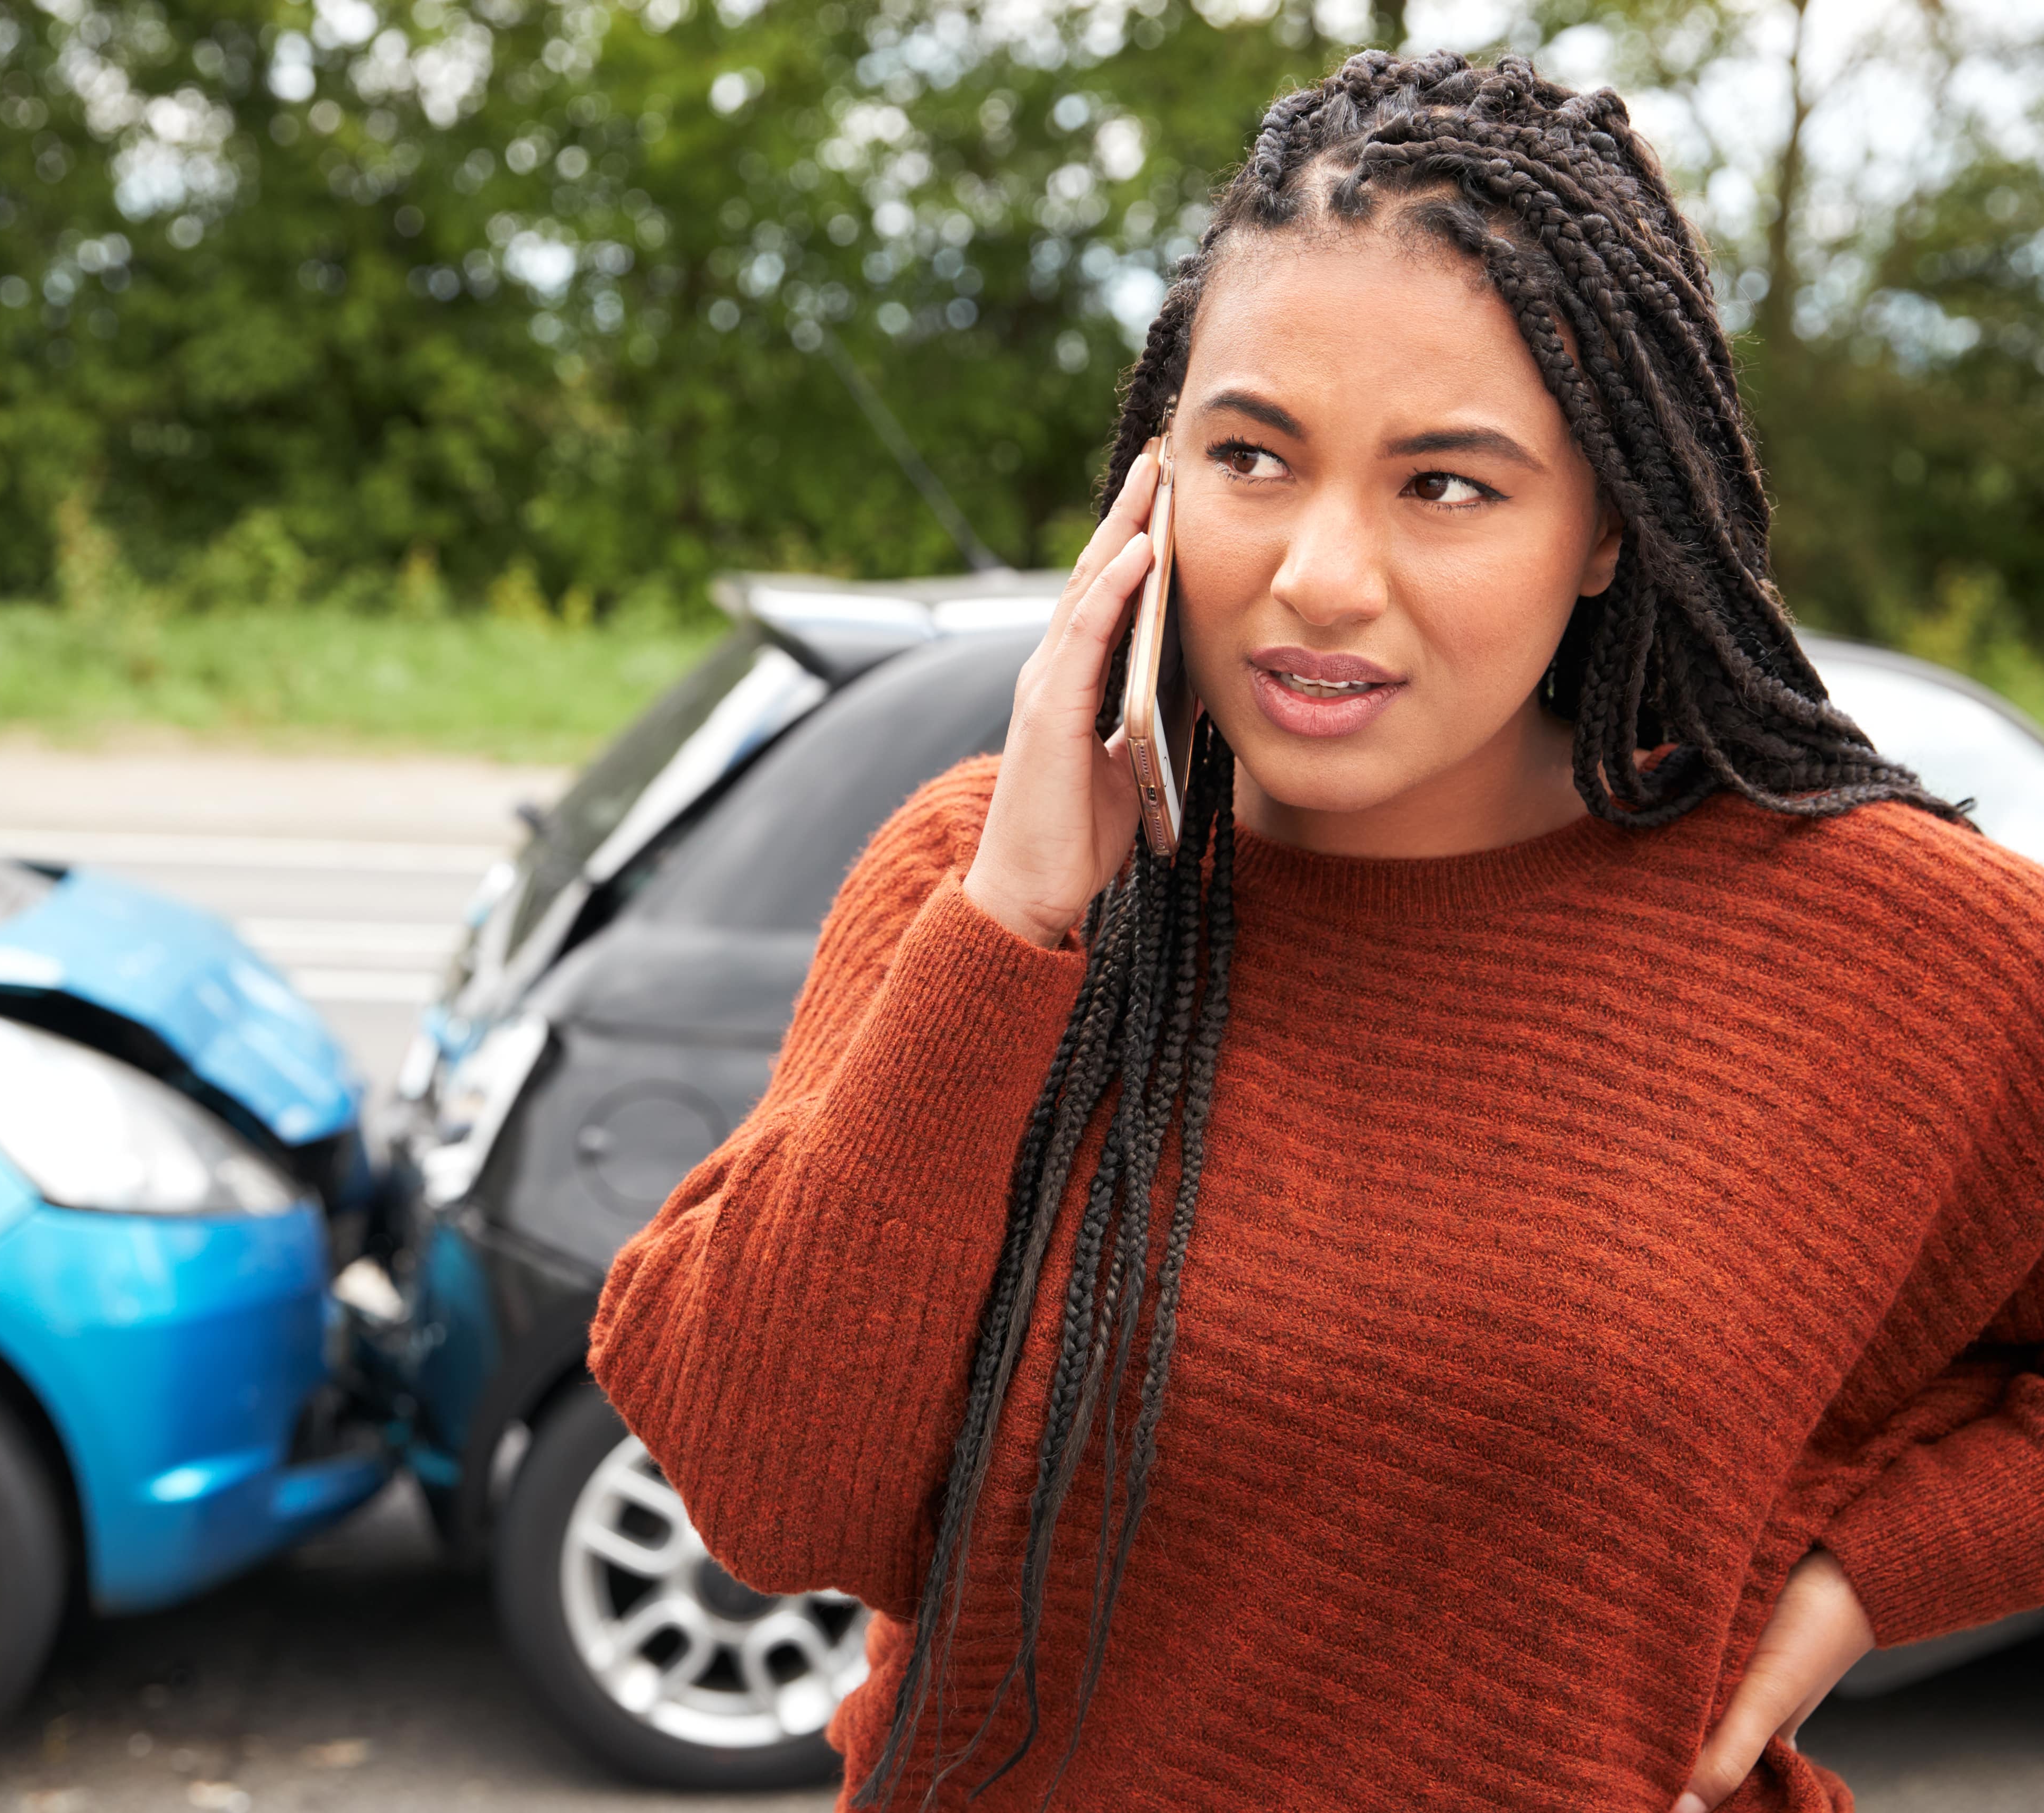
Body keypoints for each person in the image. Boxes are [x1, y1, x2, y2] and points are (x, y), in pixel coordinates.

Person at [588, 48, 2044, 1813]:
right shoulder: (980, 888)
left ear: (1607, 528)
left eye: (1447, 484)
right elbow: (765, 1493)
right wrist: (1018, 923)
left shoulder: (1889, 946)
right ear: (1154, 483)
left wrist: (1853, 1584)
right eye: (1253, 455)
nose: (1320, 575)